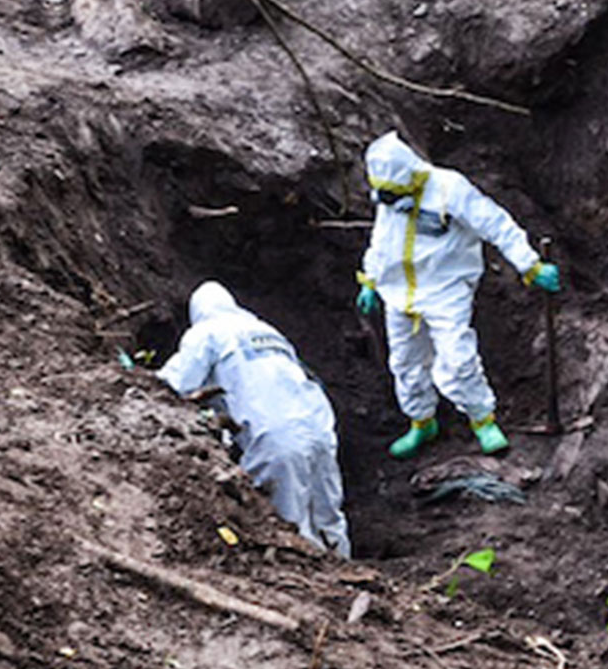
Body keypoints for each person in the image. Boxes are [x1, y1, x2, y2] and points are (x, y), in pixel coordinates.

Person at [353, 131, 561, 460]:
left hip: (445, 289)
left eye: (393, 193)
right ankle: (422, 422)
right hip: (398, 292)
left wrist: (529, 264)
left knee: (458, 357)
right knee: (405, 362)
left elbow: (495, 225)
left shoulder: (450, 189)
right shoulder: (390, 198)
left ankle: (482, 419)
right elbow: (383, 239)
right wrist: (371, 280)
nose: (388, 200)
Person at [156, 281, 351, 558]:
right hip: (318, 428)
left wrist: (135, 375)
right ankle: (345, 581)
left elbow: (175, 383)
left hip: (273, 434)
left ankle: (304, 593)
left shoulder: (207, 332)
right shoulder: (269, 332)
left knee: (289, 526)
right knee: (328, 518)